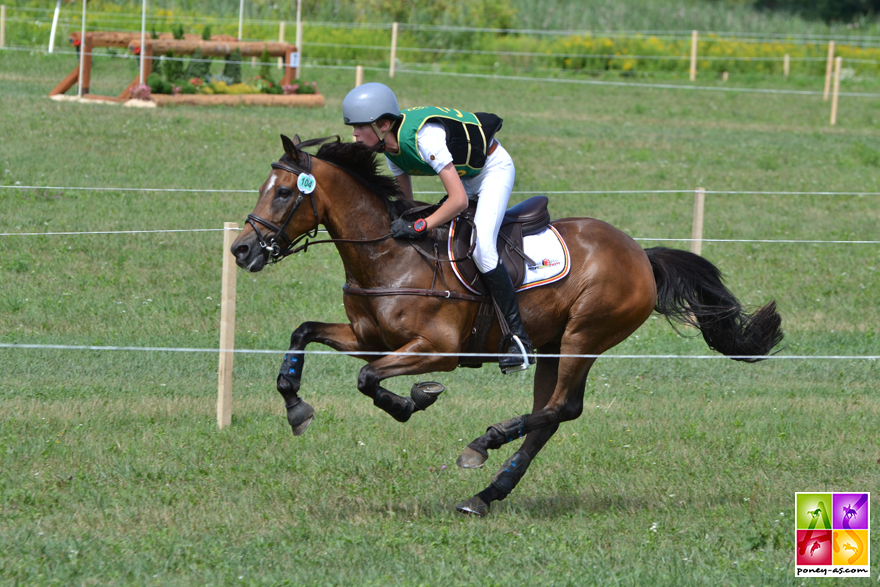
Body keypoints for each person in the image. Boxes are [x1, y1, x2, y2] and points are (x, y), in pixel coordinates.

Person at [342, 82, 534, 373]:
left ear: (382, 124)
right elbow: (405, 200)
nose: (354, 135)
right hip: (466, 176)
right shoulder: (390, 147)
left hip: (493, 170)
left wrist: (423, 224)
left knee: (483, 249)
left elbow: (457, 201)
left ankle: (518, 339)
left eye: (359, 128)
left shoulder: (425, 139)